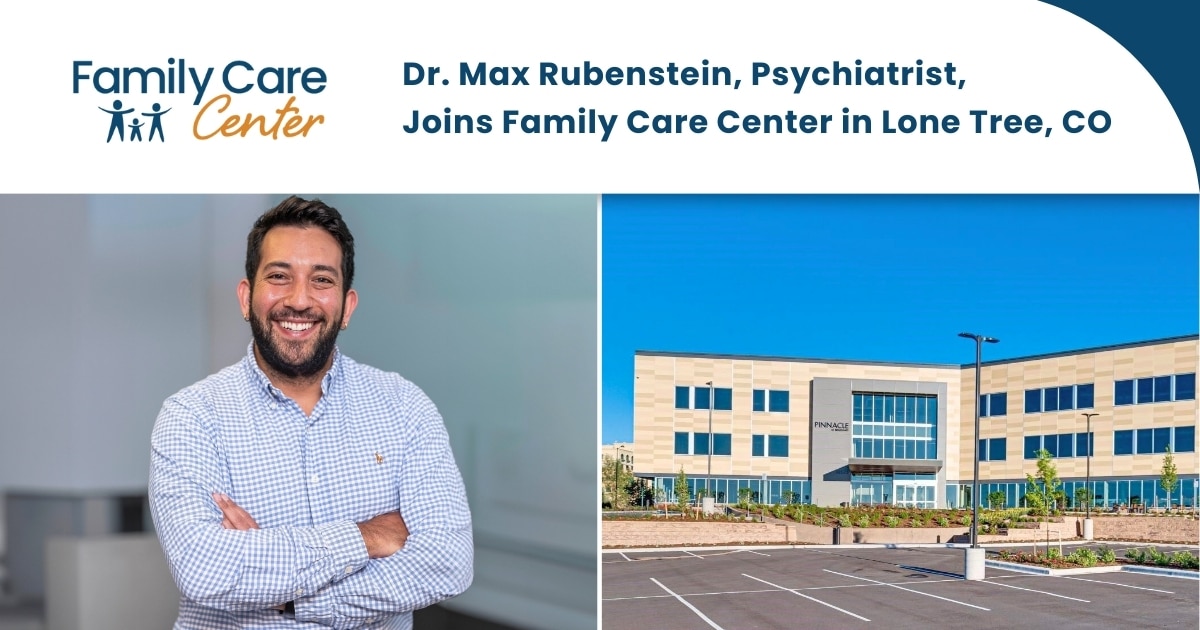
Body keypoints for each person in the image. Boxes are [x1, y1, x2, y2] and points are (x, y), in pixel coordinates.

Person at [149, 196, 473, 628]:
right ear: (247, 297)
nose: (299, 300)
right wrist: (367, 537)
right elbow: (206, 571)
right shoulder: (191, 417)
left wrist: (286, 594)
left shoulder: (405, 407)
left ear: (347, 307)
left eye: (322, 280)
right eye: (279, 276)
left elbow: (448, 562)